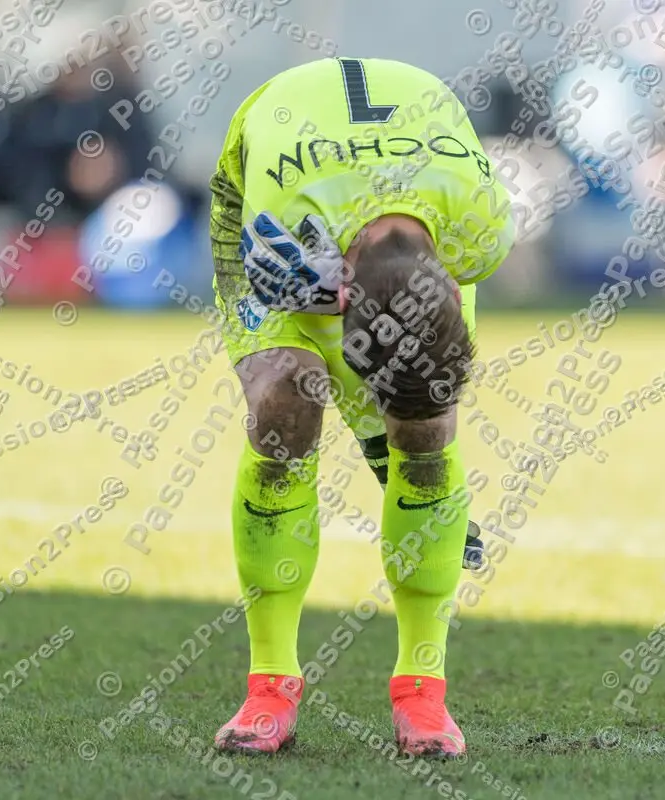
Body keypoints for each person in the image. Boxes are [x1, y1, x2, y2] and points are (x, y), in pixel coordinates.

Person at [206, 57, 516, 757]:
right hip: (281, 212)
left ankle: (423, 692)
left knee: (427, 431)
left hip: (406, 234)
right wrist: (326, 312)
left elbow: (429, 336)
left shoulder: (485, 227)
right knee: (286, 404)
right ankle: (268, 685)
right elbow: (278, 285)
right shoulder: (281, 202)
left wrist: (404, 425)